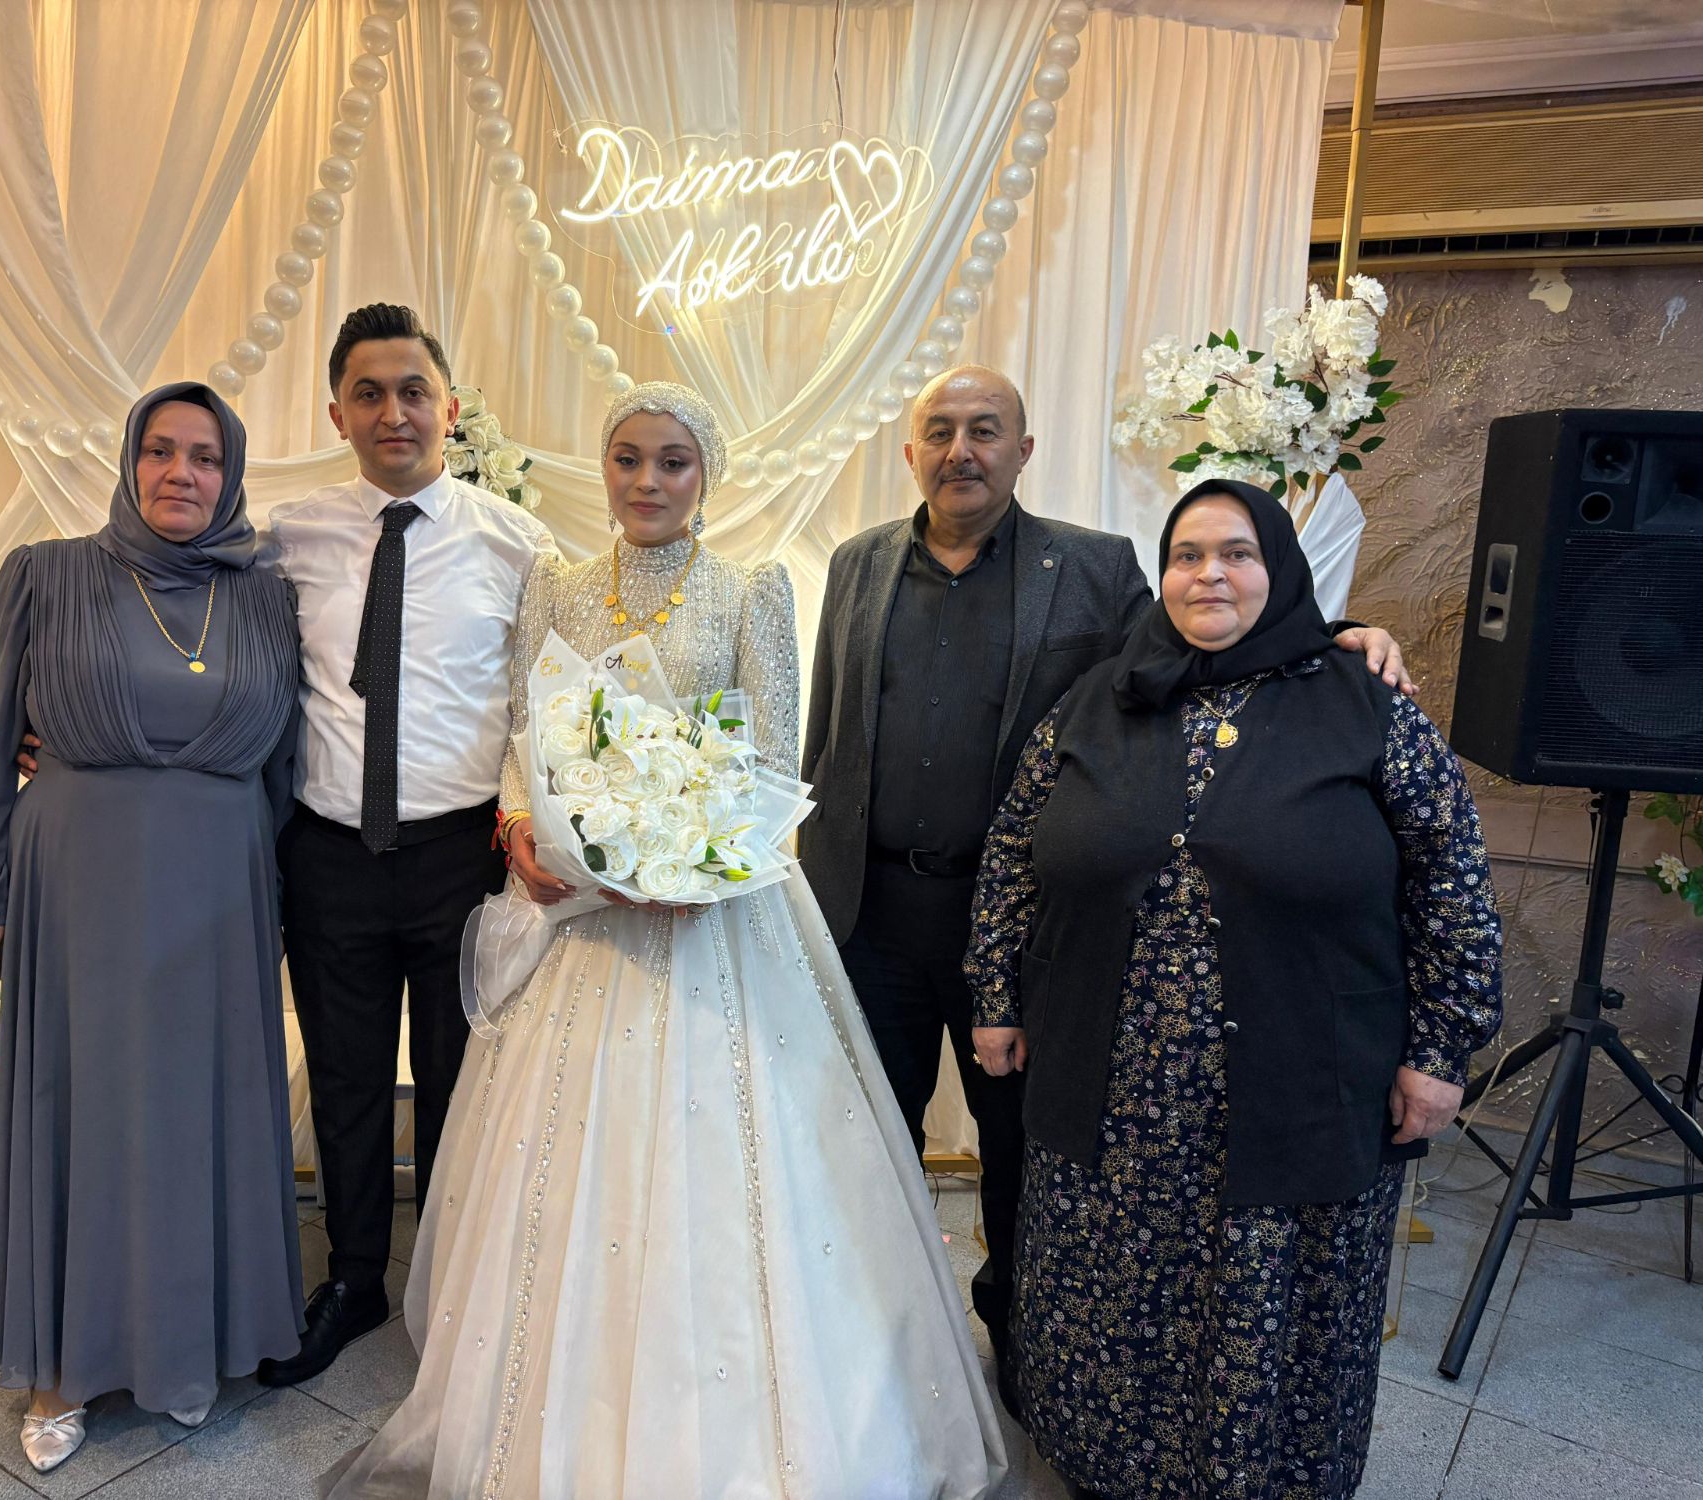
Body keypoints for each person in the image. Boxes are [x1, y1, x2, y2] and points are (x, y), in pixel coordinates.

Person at [318, 383, 1007, 1499]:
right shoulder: (556, 583)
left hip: (711, 924)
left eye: (672, 461)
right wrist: (520, 826)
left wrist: (693, 861)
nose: (647, 481)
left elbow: (770, 760)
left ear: (705, 475)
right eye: (628, 458)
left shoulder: (749, 589)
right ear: (603, 467)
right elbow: (524, 731)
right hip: (582, 923)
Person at [798, 365, 1413, 1399]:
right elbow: (827, 733)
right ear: (909, 452)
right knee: (862, 1141)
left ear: (1023, 450)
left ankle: (1019, 1353)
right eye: (939, 430)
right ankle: (874, 1352)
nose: (960, 450)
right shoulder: (857, 564)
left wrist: (1340, 637)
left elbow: (1197, 648)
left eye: (984, 429)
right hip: (869, 912)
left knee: (1020, 1152)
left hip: (1025, 927)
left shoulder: (1090, 565)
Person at [964, 479, 1503, 1500]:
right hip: (1110, 1090)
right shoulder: (1095, 701)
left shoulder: (1366, 705)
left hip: (1303, 1081)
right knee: (1112, 1292)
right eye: (1187, 555)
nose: (1208, 574)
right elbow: (1011, 860)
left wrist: (1440, 1051)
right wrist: (994, 994)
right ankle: (1109, 1471)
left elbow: (1452, 881)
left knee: (1267, 1299)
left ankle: (1264, 1479)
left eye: (1237, 553)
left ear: (1280, 571)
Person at [0, 382, 304, 1472]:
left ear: (230, 475)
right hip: (80, 893)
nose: (180, 473)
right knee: (82, 1115)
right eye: (160, 450)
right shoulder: (45, 574)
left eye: (204, 456)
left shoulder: (266, 597)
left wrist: (273, 899)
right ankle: (61, 1367)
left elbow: (284, 771)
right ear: (130, 460)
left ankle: (186, 1349)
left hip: (220, 898)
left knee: (197, 1121)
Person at [259, 303, 555, 1386]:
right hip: (328, 851)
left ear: (450, 407)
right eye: (370, 394)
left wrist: (528, 827)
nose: (394, 412)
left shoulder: (519, 546)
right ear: (336, 412)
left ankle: (447, 1285)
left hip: (460, 856)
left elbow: (541, 709)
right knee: (341, 1078)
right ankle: (353, 1279)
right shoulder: (286, 541)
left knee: (456, 1081)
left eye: (413, 391)